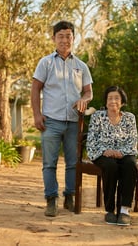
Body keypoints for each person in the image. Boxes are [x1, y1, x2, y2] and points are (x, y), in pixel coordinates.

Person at [31, 20, 93, 217]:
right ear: (54, 39)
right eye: (61, 36)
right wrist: (37, 114)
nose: (65, 40)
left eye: (68, 36)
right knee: (49, 163)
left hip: (74, 122)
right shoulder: (45, 63)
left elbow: (88, 92)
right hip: (51, 121)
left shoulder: (81, 66)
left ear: (73, 39)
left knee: (73, 163)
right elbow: (35, 89)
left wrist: (84, 99)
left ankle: (69, 197)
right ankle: (51, 199)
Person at [86, 86, 138, 226]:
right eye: (110, 98)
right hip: (102, 153)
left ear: (122, 102)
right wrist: (105, 150)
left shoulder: (129, 118)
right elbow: (92, 139)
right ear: (105, 101)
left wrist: (121, 152)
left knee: (130, 165)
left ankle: (124, 210)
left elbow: (133, 140)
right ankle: (110, 210)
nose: (113, 101)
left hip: (125, 152)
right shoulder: (98, 117)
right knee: (110, 166)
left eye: (116, 98)